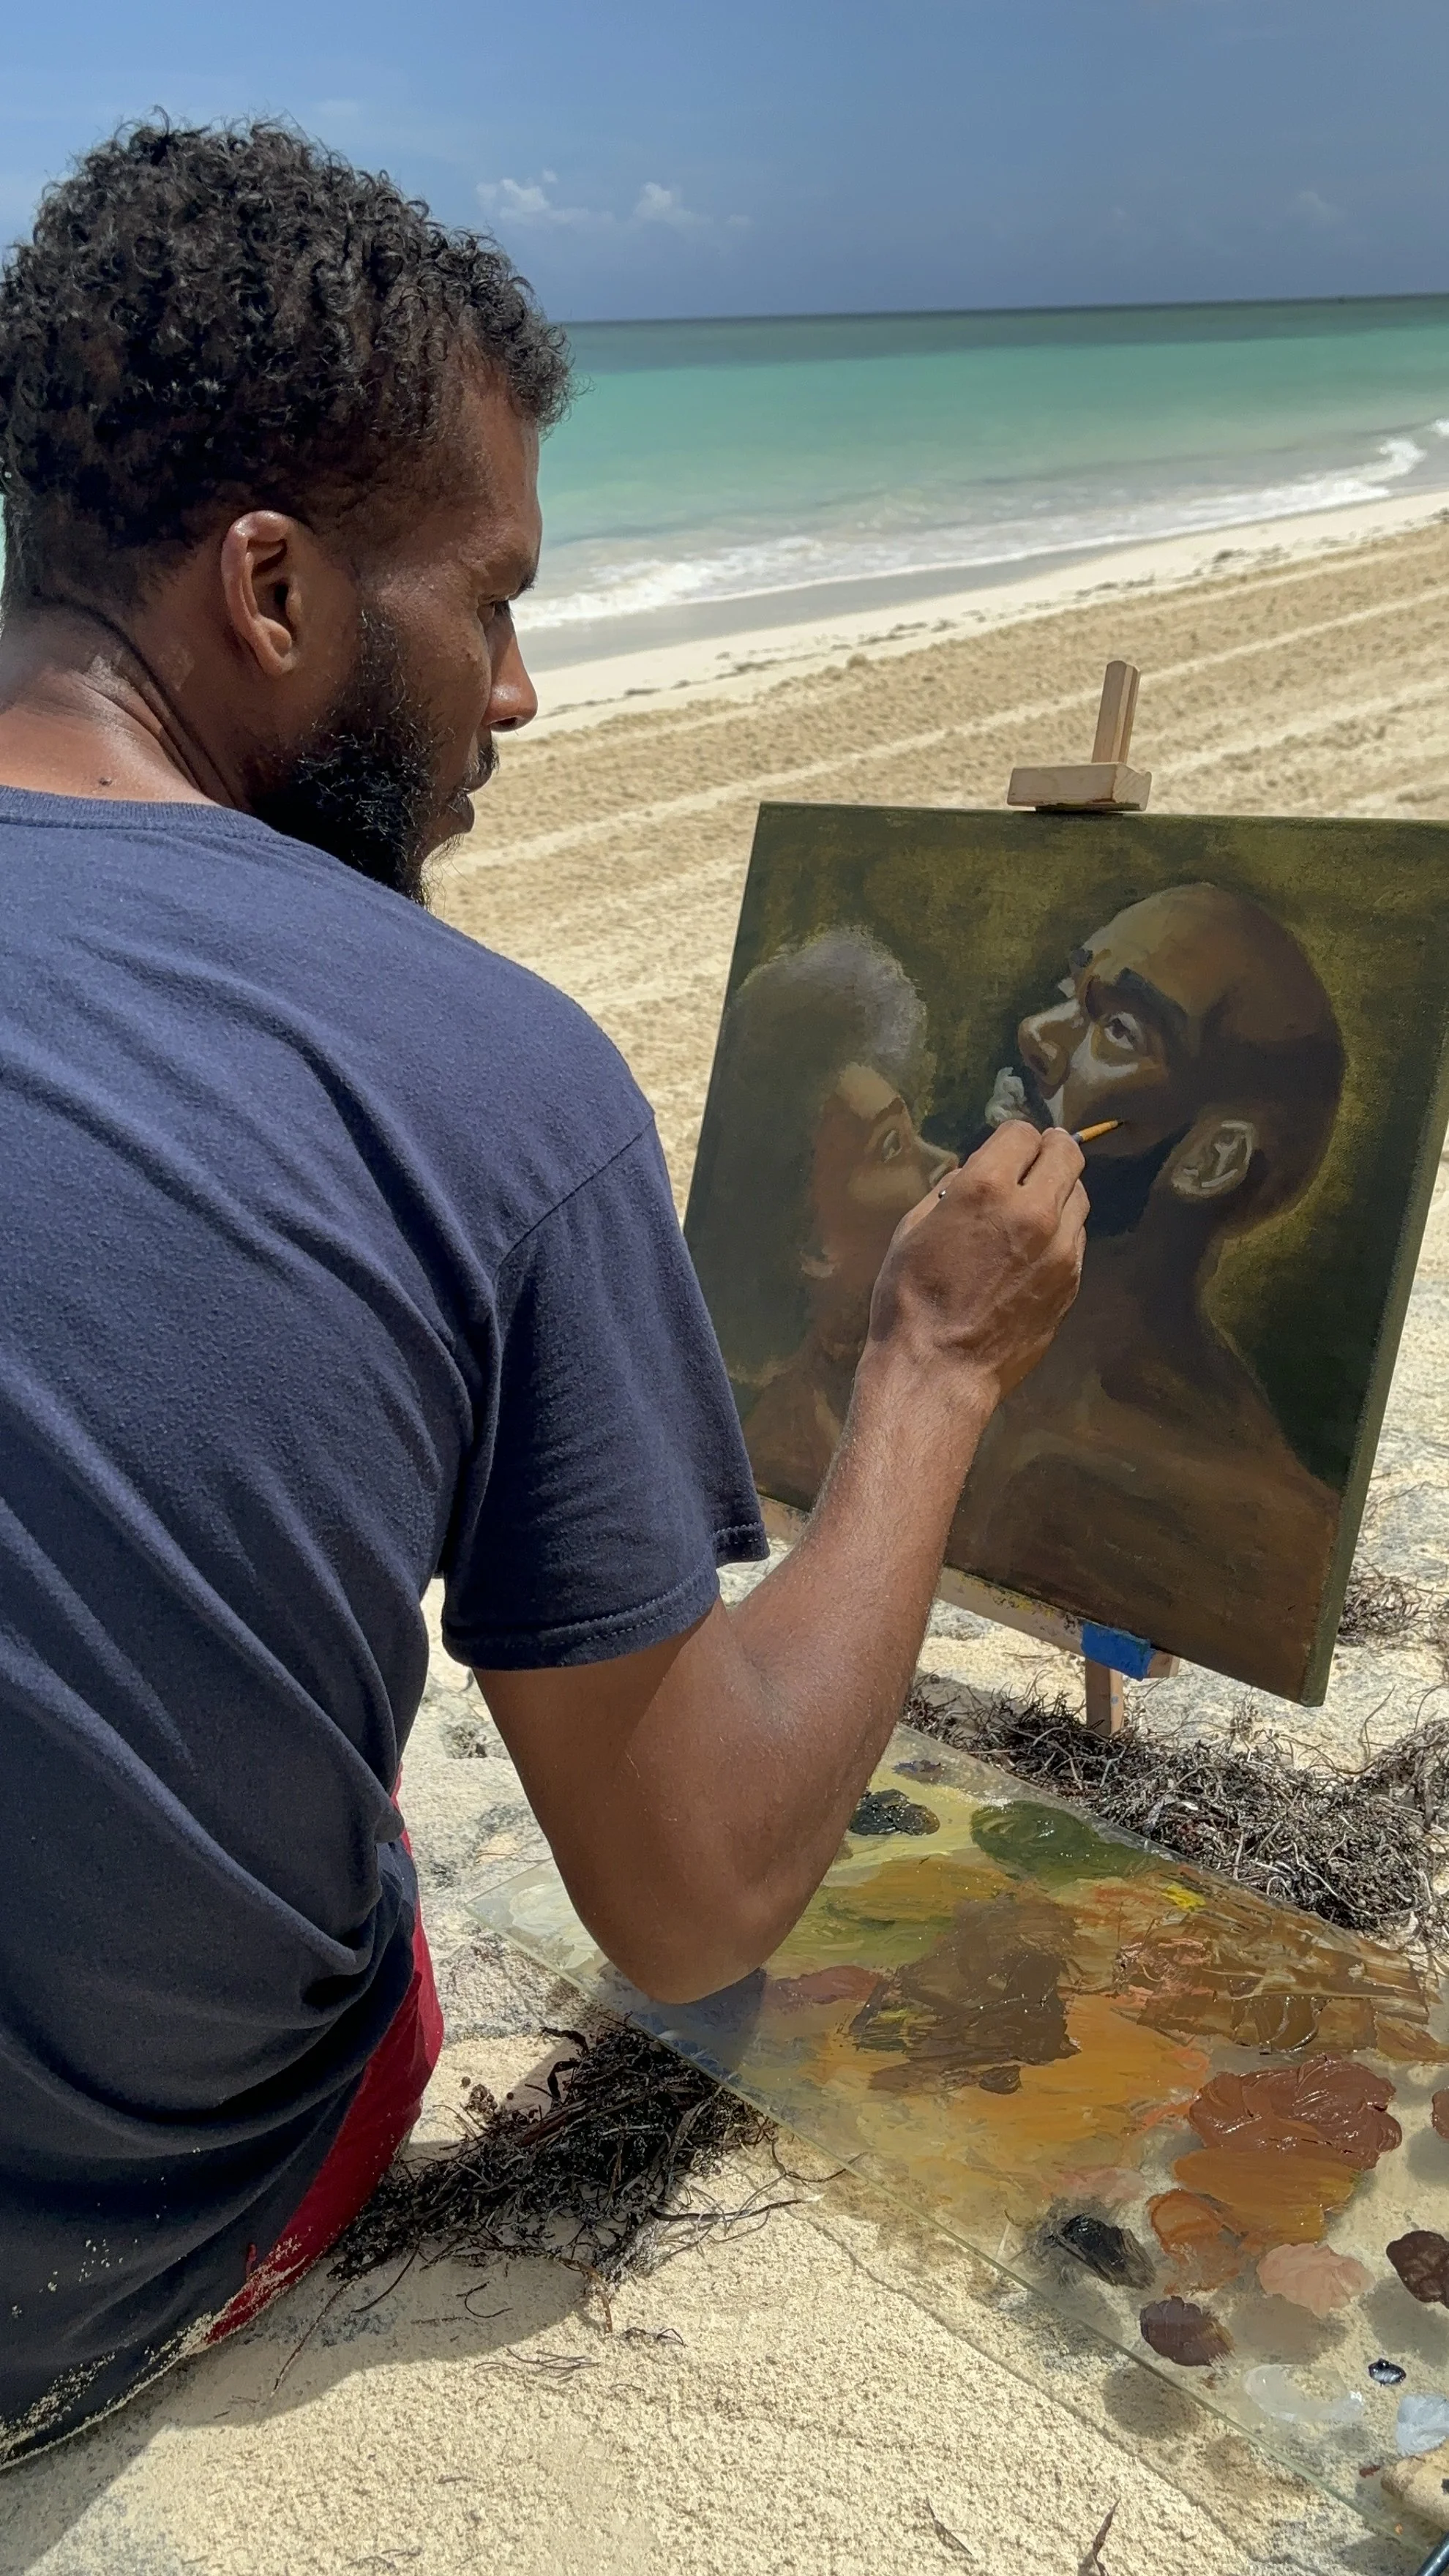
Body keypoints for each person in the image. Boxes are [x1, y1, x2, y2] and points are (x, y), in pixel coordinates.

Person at [0, 121, 1087, 2458]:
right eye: (486, 600)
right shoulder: (481, 1073)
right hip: (93, 2282)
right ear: (271, 590)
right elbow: (688, 1905)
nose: (515, 693)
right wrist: (928, 1365)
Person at [950, 882, 1346, 1695]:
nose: (1037, 1034)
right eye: (1068, 992)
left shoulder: (1237, 1517)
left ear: (1211, 1159)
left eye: (1120, 1029)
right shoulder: (947, 1339)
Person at [686, 927, 955, 1506]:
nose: (946, 1163)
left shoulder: (900, 1360)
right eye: (891, 1146)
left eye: (913, 1132)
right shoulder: (792, 1448)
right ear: (812, 1244)